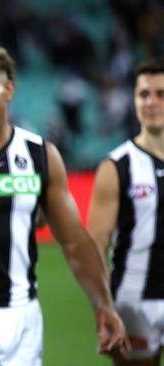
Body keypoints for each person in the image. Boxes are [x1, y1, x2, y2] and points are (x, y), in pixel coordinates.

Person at [0, 41, 127, 365]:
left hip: (20, 318)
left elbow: (73, 241)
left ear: (9, 89)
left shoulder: (39, 154)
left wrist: (103, 304)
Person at [88, 57, 164, 366]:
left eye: (161, 94)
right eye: (143, 94)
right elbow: (96, 243)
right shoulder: (116, 165)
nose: (151, 102)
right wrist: (102, 307)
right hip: (133, 302)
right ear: (133, 100)